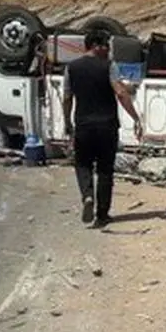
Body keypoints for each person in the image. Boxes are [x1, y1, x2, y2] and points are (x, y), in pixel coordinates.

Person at [62, 30, 143, 228]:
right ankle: (102, 215)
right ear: (96, 46)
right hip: (107, 126)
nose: (108, 50)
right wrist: (135, 118)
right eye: (106, 46)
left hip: (83, 126)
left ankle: (87, 196)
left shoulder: (71, 68)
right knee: (105, 170)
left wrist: (67, 122)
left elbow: (67, 97)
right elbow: (121, 93)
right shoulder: (109, 66)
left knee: (83, 165)